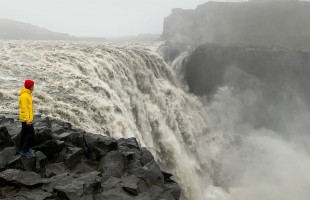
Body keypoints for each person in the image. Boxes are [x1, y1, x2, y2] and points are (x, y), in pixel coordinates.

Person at [19, 79, 35, 157]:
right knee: (31, 134)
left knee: (24, 133)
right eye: (33, 85)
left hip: (26, 118)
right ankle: (25, 150)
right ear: (30, 86)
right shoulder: (25, 95)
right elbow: (24, 109)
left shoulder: (28, 93)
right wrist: (28, 120)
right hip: (26, 119)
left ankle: (22, 148)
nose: (33, 87)